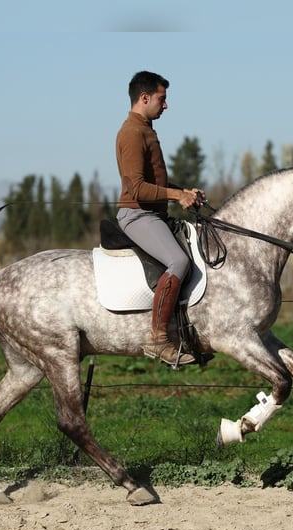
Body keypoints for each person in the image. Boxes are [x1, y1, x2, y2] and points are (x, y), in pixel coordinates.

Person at [116, 70, 205, 366]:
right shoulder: (131, 133)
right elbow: (137, 188)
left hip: (153, 213)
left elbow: (156, 181)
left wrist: (184, 192)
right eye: (162, 99)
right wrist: (176, 196)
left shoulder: (145, 129)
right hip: (137, 214)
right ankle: (157, 339)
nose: (165, 105)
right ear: (145, 98)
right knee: (178, 261)